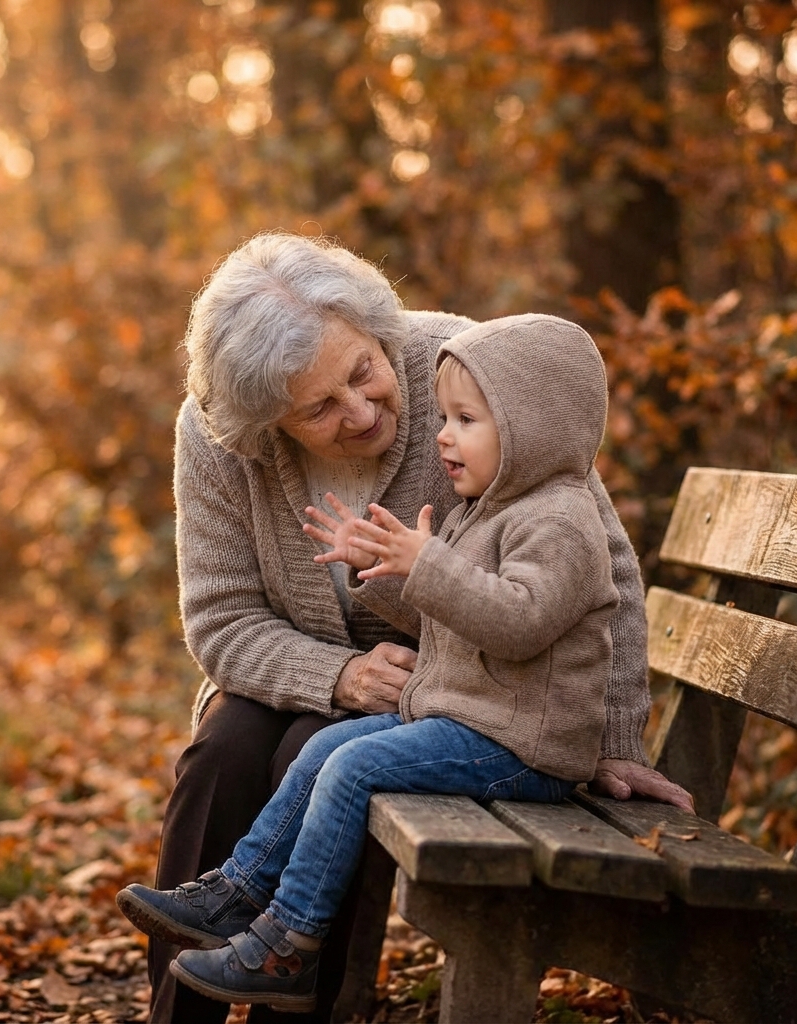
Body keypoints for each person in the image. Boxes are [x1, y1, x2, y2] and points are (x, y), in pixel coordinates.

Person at [145, 231, 693, 1023]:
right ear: (269, 421)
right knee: (222, 756)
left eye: (363, 373)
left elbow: (598, 569)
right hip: (292, 663)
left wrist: (613, 737)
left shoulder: (460, 372)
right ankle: (180, 1005)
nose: (362, 411)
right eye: (320, 408)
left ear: (378, 330)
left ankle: (292, 998)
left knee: (319, 754)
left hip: (459, 680)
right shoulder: (217, 438)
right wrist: (336, 678)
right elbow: (223, 619)